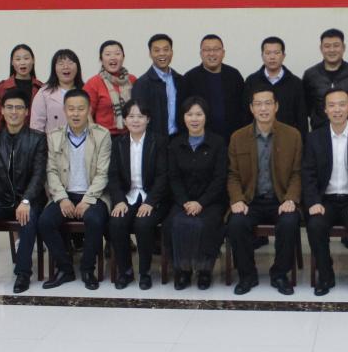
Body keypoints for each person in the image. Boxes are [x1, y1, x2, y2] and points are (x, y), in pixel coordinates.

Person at [226, 87, 303, 295]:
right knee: (236, 223)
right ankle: (247, 275)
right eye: (258, 104)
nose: (263, 108)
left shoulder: (293, 135)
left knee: (289, 222)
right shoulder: (238, 137)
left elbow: (297, 173)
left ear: (276, 106)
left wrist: (291, 199)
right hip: (250, 200)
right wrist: (237, 199)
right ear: (251, 108)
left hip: (280, 199)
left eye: (268, 103)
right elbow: (232, 175)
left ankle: (279, 274)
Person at [0, 89, 47, 293]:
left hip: (30, 197)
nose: (14, 112)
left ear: (26, 111)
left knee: (27, 219)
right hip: (3, 197)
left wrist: (26, 200)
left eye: (19, 108)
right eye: (9, 107)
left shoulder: (38, 139)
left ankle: (23, 273)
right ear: (2, 111)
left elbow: (39, 175)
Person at [302, 88, 348, 297]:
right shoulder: (314, 138)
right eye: (332, 105)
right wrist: (313, 202)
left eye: (342, 104)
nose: (337, 110)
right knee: (315, 225)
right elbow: (308, 174)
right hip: (325, 200)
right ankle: (325, 276)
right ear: (325, 110)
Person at [39, 89, 112, 290]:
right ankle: (65, 269)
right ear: (64, 110)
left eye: (81, 108)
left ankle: (88, 269)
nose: (76, 113)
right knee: (45, 222)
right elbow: (51, 171)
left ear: (89, 109)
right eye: (71, 109)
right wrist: (62, 198)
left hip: (94, 194)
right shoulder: (53, 136)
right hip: (64, 193)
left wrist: (88, 199)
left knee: (95, 220)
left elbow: (103, 173)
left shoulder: (102, 135)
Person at [106, 99, 170, 290]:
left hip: (153, 198)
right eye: (131, 116)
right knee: (116, 223)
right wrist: (118, 200)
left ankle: (145, 272)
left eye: (140, 116)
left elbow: (163, 176)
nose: (135, 120)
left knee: (143, 224)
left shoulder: (159, 142)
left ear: (148, 119)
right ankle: (125, 271)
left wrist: (150, 202)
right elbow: (113, 176)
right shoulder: (118, 143)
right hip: (128, 196)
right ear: (125, 120)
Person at [168, 97, 228, 291]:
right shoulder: (175, 144)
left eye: (199, 114)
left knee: (206, 223)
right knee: (175, 222)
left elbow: (220, 178)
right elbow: (174, 178)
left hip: (210, 201)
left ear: (206, 117)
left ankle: (204, 270)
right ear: (183, 117)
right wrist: (185, 202)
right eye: (190, 114)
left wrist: (201, 202)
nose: (194, 119)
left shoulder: (217, 143)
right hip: (183, 201)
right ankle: (182, 270)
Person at [185, 34, 248, 144]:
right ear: (201, 54)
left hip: (233, 139)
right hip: (202, 141)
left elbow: (244, 108)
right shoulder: (190, 78)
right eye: (207, 50)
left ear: (223, 53)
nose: (212, 53)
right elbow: (184, 112)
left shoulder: (234, 75)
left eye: (216, 49)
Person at [245, 36, 309, 138]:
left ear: (283, 56)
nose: (272, 57)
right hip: (258, 138)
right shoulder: (251, 81)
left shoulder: (295, 83)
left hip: (288, 139)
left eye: (276, 53)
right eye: (268, 53)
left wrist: (302, 141)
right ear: (262, 56)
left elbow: (301, 117)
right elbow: (246, 115)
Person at [302, 28, 348, 131]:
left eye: (336, 45)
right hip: (319, 131)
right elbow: (306, 105)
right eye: (327, 46)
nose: (332, 50)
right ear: (321, 48)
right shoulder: (310, 74)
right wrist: (316, 119)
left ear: (343, 47)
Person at [132, 33, 186, 138]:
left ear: (172, 52)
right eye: (156, 50)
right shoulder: (142, 84)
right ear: (150, 54)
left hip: (179, 139)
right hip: (154, 141)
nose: (162, 54)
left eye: (166, 49)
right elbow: (139, 117)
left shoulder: (180, 80)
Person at [84, 40, 138, 137]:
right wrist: (94, 137)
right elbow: (87, 114)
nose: (113, 57)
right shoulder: (93, 83)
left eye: (117, 53)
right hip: (104, 136)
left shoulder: (132, 80)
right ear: (101, 59)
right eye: (108, 54)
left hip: (132, 134)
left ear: (123, 57)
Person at [0, 44, 43, 133]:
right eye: (18, 59)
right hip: (9, 137)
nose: (22, 62)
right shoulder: (3, 87)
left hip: (35, 137)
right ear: (12, 62)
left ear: (33, 60)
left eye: (26, 58)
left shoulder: (41, 88)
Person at [30, 49, 82, 134]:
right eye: (61, 63)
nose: (66, 67)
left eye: (70, 63)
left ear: (77, 67)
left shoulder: (86, 90)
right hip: (52, 141)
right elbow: (36, 126)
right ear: (54, 68)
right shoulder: (44, 93)